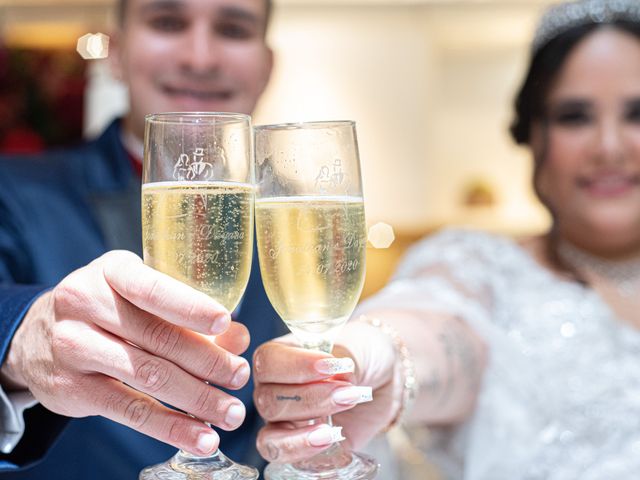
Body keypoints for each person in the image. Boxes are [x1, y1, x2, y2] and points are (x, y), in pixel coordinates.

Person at [251, 0, 640, 478]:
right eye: (574, 117)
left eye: (636, 114)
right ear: (533, 135)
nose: (610, 146)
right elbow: (441, 335)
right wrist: (382, 356)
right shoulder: (477, 266)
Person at [0, 0, 280, 477]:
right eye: (167, 23)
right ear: (116, 51)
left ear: (267, 65)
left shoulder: (292, 220)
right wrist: (22, 338)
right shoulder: (14, 192)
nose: (200, 57)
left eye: (233, 29)